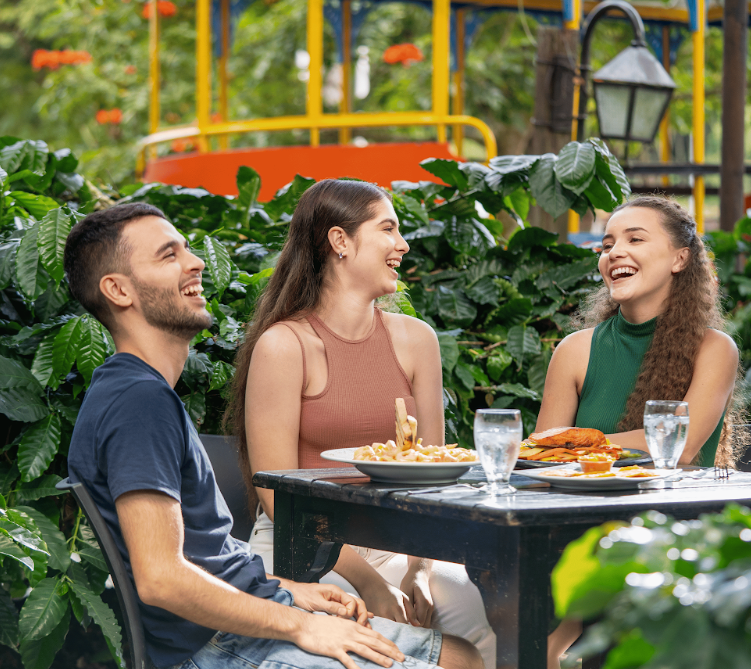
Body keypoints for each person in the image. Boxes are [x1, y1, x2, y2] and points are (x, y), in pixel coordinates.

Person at [63, 202, 483, 669]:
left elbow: (207, 550)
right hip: (213, 645)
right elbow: (161, 578)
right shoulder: (138, 403)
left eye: (186, 249)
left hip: (249, 614)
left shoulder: (142, 392)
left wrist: (290, 592)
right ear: (118, 290)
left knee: (462, 657)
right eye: (168, 256)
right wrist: (301, 623)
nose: (195, 261)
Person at [225, 179, 497, 669]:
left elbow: (433, 475)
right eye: (388, 229)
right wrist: (370, 581)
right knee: (377, 639)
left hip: (399, 542)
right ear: (340, 241)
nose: (403, 245)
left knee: (474, 607)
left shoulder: (418, 340)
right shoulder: (285, 346)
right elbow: (276, 493)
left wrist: (420, 566)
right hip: (300, 546)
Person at [536, 196, 746, 668]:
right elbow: (540, 457)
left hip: (677, 546)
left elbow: (680, 447)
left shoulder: (715, 349)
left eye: (635, 239)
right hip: (574, 537)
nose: (614, 252)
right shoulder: (575, 350)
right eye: (607, 243)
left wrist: (579, 443)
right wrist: (576, 448)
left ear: (679, 258)